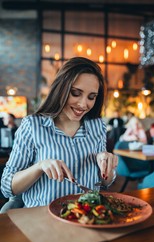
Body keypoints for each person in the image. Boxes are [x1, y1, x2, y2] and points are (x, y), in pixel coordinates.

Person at [0, 57, 118, 209]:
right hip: (43, 220)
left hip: (86, 217)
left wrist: (107, 167)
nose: (83, 104)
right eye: (76, 93)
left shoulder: (97, 126)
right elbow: (6, 187)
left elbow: (105, 183)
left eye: (91, 97)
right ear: (61, 89)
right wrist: (39, 167)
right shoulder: (33, 125)